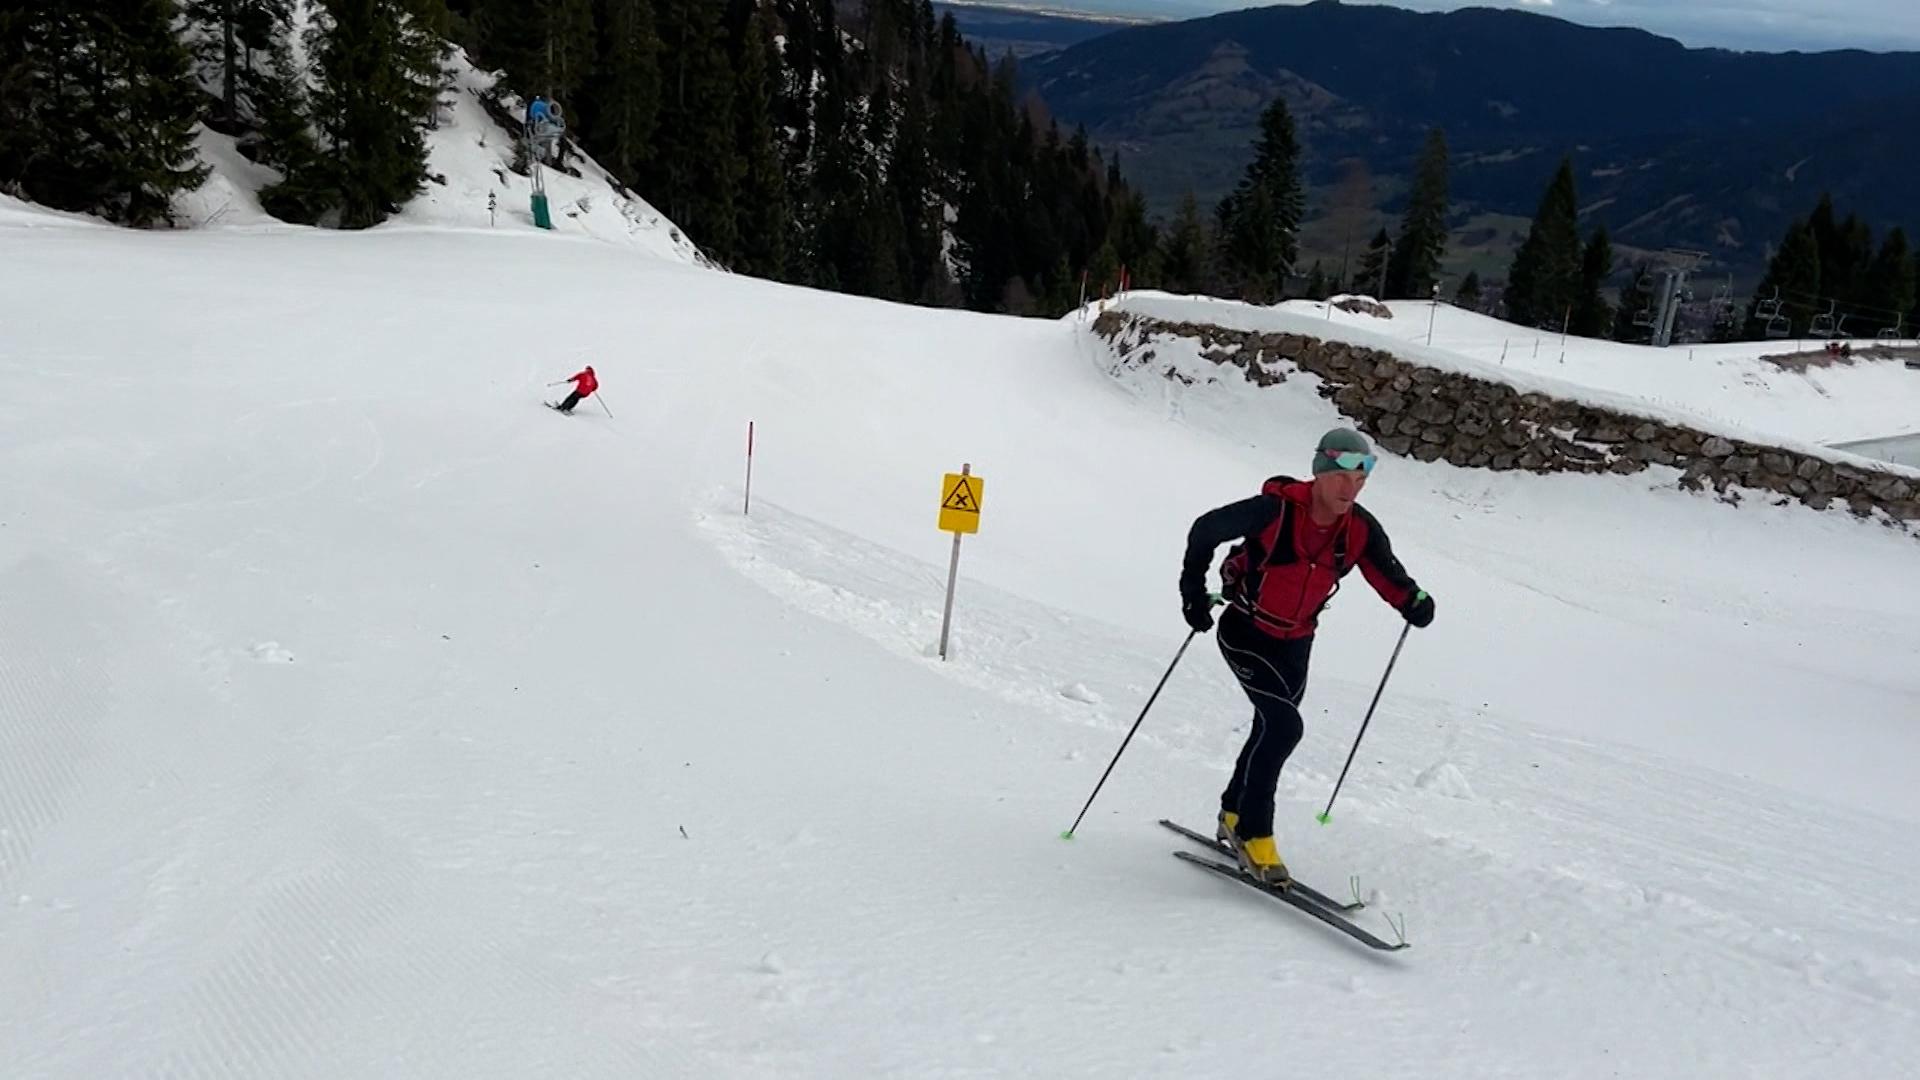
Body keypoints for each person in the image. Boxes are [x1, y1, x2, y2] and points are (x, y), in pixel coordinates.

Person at [1177, 427, 1435, 885]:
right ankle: (1256, 835)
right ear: (1319, 472)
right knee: (1283, 726)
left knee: (1268, 728)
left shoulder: (1359, 529)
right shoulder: (1273, 511)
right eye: (1342, 475)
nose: (1351, 487)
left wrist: (1412, 601)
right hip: (1245, 632)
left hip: (1296, 644)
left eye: (1362, 477)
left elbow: (1387, 573)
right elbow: (1205, 530)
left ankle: (1233, 814)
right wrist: (1192, 593)